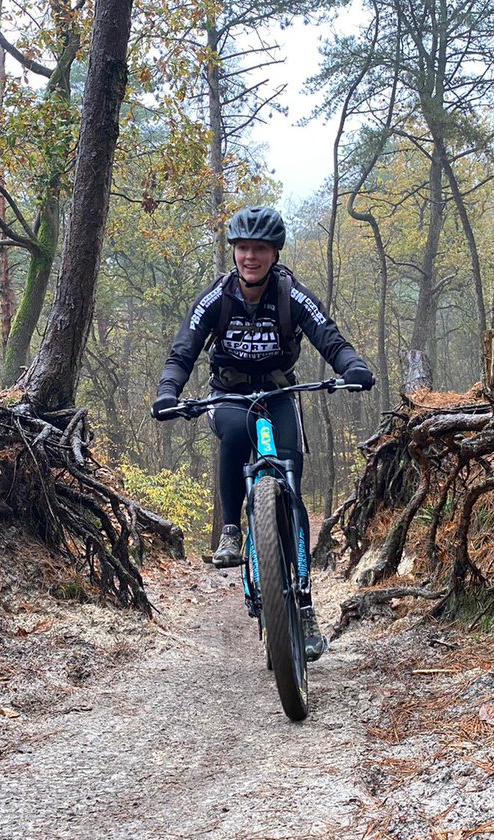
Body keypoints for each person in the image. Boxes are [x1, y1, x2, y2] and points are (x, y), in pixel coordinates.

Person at [150, 206, 375, 661]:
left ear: (274, 253)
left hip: (278, 395)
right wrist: (168, 390)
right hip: (228, 397)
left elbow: (327, 335)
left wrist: (350, 366)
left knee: (291, 473)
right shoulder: (216, 297)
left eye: (260, 249)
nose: (250, 256)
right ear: (234, 251)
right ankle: (232, 530)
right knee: (234, 437)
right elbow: (183, 350)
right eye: (242, 248)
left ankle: (306, 610)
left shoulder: (291, 294)